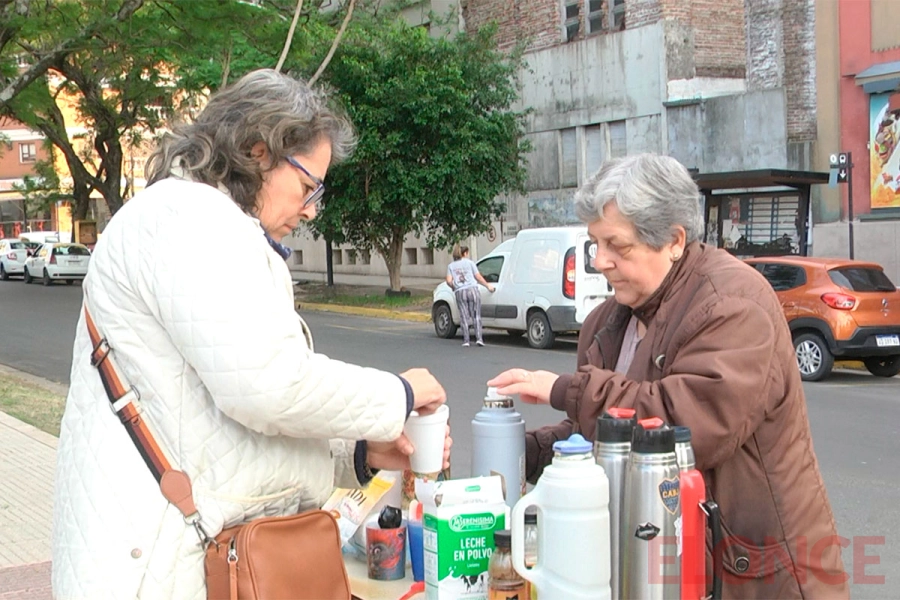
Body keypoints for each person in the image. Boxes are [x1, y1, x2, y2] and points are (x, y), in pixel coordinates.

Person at [51, 69, 451, 599]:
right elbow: (267, 386)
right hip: (154, 567)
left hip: (167, 556)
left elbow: (216, 425)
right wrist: (397, 396)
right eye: (308, 186)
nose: (310, 209)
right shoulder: (190, 219)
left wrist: (359, 450)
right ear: (259, 150)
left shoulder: (194, 219)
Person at [489, 154, 847, 598]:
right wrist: (532, 451)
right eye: (594, 244)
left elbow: (685, 427)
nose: (600, 261)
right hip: (659, 566)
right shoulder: (608, 319)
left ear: (674, 241)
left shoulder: (734, 302)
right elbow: (610, 429)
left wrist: (565, 389)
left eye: (617, 246)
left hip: (753, 574)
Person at [446, 244, 494, 347]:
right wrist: (487, 286)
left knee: (464, 316)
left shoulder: (451, 266)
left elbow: (448, 281)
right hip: (472, 290)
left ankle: (466, 340)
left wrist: (454, 287)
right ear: (465, 253)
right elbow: (478, 277)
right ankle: (479, 338)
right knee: (476, 315)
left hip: (460, 291)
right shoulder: (470, 263)